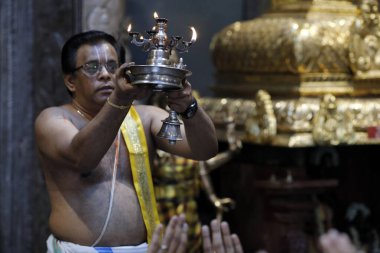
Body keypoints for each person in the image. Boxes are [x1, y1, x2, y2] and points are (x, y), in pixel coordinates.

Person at [34, 30, 218, 252]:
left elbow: (205, 149)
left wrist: (189, 106)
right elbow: (83, 158)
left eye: (112, 67)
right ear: (71, 81)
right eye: (92, 68)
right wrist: (120, 100)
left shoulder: (144, 117)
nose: (105, 75)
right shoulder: (53, 120)